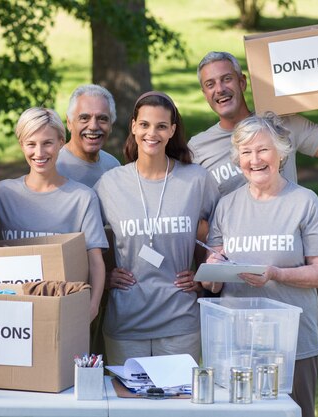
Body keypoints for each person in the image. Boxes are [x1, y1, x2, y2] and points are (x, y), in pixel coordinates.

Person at [201, 112, 318, 417]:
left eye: (263, 149)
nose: (255, 159)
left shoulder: (304, 201)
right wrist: (214, 267)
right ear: (237, 159)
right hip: (236, 344)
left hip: (293, 342)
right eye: (246, 152)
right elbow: (213, 280)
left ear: (280, 152)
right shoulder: (227, 205)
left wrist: (274, 274)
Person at [0, 107, 109, 321]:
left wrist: (92, 306)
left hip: (59, 310)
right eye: (31, 144)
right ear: (21, 145)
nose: (39, 153)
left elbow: (95, 260)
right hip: (6, 313)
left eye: (47, 143)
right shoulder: (2, 193)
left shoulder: (83, 198)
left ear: (61, 142)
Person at [94, 91, 219, 366]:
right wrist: (105, 275)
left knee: (178, 408)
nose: (153, 133)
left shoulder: (196, 180)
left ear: (172, 130)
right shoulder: (110, 183)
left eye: (162, 126)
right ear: (134, 127)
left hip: (180, 323)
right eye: (145, 124)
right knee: (129, 409)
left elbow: (220, 231)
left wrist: (205, 275)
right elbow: (88, 239)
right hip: (126, 323)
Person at [189, 43, 318, 197]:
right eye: (210, 84)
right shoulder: (197, 149)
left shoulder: (281, 123)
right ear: (205, 93)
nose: (220, 89)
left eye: (226, 79)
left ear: (242, 82)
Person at [57, 84, 121, 187]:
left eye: (102, 119)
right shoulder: (54, 169)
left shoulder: (113, 167)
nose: (93, 126)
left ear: (111, 125)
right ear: (69, 122)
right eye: (84, 118)